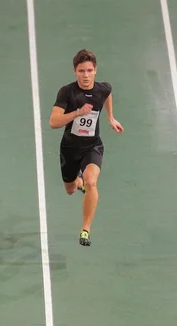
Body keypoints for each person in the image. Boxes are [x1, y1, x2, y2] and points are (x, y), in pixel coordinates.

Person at [49, 49, 124, 246]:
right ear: (75, 71)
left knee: (92, 182)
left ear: (95, 70)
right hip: (70, 149)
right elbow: (53, 122)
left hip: (92, 146)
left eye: (89, 70)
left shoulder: (101, 89)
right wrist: (77, 113)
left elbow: (107, 94)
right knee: (70, 189)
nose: (86, 75)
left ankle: (85, 230)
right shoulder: (67, 92)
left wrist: (110, 118)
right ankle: (78, 183)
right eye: (81, 71)